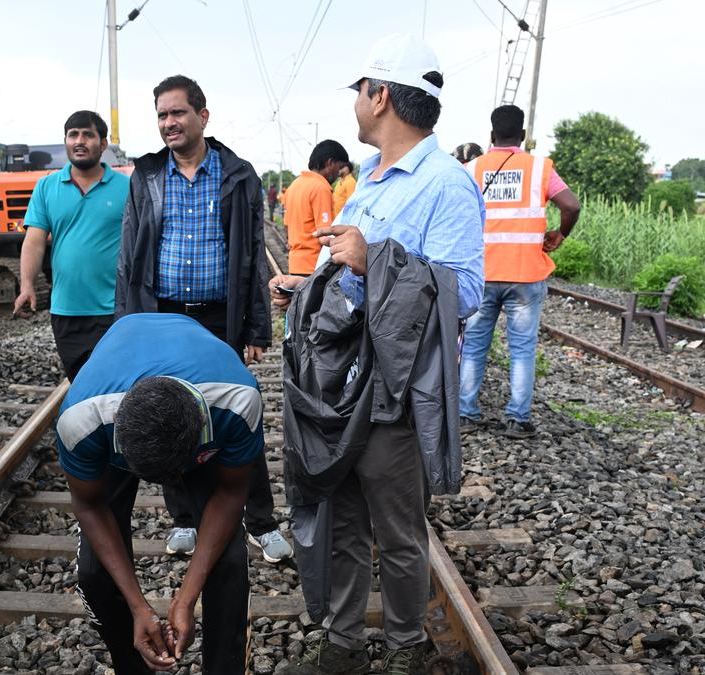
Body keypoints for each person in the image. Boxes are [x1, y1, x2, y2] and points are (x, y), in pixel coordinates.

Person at [269, 33, 484, 675]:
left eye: (360, 92)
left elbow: (466, 291)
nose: (356, 106)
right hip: (341, 384)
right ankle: (341, 646)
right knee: (340, 520)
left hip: (393, 392)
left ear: (380, 95)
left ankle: (405, 646)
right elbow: (354, 278)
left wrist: (373, 257)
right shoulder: (369, 181)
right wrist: (308, 289)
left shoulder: (446, 185)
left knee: (397, 531)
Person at [114, 75, 287, 563]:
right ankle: (185, 519)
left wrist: (256, 327)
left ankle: (261, 521)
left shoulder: (238, 175)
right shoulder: (147, 176)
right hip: (163, 315)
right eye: (162, 115)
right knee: (169, 416)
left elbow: (252, 255)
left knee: (237, 414)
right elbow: (130, 256)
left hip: (218, 317)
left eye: (178, 113)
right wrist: (128, 326)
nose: (169, 123)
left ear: (202, 116)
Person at [60, 313, 263, 674]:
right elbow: (89, 505)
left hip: (201, 407)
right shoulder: (82, 419)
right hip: (116, 417)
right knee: (94, 574)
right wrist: (139, 607)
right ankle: (134, 665)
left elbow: (232, 493)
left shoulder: (237, 402)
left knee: (230, 562)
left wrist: (185, 599)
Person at [459, 104, 581, 438]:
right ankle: (517, 419)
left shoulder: (471, 169)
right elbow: (571, 205)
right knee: (523, 349)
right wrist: (560, 233)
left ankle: (466, 414)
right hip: (526, 275)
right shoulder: (540, 168)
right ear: (523, 135)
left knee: (473, 345)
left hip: (482, 273)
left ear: (491, 134)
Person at [13, 110, 128, 380]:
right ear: (65, 140)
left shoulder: (127, 187)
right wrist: (27, 285)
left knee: (115, 385)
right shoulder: (47, 187)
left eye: (88, 135)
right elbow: (34, 242)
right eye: (73, 134)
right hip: (67, 310)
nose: (80, 140)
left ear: (102, 143)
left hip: (115, 310)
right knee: (81, 383)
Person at [281, 140, 349, 275]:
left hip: (295, 264)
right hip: (313, 266)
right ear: (330, 163)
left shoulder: (295, 185)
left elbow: (286, 226)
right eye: (339, 167)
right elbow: (324, 234)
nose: (338, 173)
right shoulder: (320, 187)